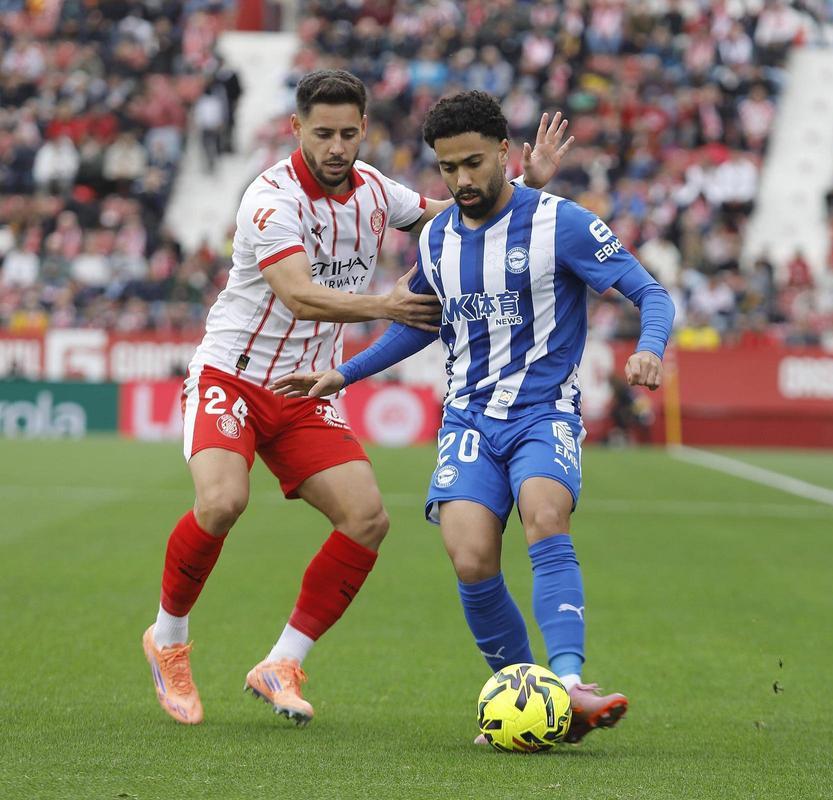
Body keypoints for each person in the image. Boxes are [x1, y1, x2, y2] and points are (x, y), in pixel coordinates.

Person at [141, 70, 572, 727]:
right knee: (223, 500)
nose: (337, 147)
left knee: (367, 518)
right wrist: (385, 305)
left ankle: (282, 661)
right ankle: (169, 639)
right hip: (235, 374)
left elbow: (465, 217)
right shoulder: (270, 198)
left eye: (348, 133)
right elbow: (296, 292)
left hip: (307, 387)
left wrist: (530, 185)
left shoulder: (376, 190)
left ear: (364, 129)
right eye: (323, 134)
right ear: (296, 130)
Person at [272, 91, 676, 745]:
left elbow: (650, 292)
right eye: (448, 168)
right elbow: (418, 325)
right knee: (469, 558)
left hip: (544, 413)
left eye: (473, 164)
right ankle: (531, 697)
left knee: (546, 515)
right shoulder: (435, 238)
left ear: (505, 155)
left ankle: (570, 682)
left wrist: (650, 349)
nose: (461, 180)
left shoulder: (562, 224)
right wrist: (344, 373)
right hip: (468, 422)